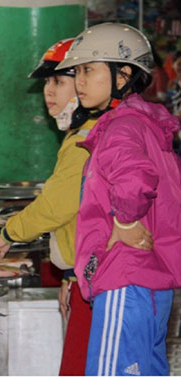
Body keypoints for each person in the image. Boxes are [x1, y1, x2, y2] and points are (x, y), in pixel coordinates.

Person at [55, 23, 181, 376]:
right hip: (150, 281)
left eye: (89, 70)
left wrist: (124, 222)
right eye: (77, 71)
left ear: (123, 74)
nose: (79, 81)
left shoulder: (121, 127)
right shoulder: (144, 124)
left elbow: (135, 180)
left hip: (126, 277)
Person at [0, 38, 99, 375]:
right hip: (86, 276)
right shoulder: (81, 132)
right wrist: (68, 274)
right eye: (48, 82)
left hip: (99, 281)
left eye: (58, 81)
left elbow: (56, 206)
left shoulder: (85, 138)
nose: (49, 91)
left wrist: (8, 234)